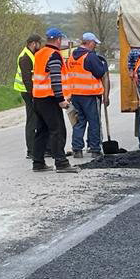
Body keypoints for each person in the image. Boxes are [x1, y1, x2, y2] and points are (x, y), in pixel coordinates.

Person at [31, 28, 78, 173]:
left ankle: (38, 163)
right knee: (57, 130)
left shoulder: (39, 54)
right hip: (50, 98)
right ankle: (61, 163)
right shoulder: (54, 55)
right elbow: (56, 79)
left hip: (37, 97)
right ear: (58, 40)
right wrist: (61, 99)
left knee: (42, 131)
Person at [66, 32, 110, 157]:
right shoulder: (90, 57)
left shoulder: (72, 57)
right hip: (90, 95)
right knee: (94, 122)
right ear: (90, 43)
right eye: (94, 43)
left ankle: (77, 150)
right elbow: (100, 73)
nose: (95, 45)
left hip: (75, 95)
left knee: (79, 122)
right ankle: (95, 149)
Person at [14, 34, 44, 159]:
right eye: (38, 43)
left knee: (35, 119)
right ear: (33, 43)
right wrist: (33, 95)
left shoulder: (30, 54)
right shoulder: (25, 57)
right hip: (28, 92)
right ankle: (31, 150)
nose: (39, 46)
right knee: (32, 120)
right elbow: (27, 79)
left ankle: (36, 149)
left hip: (29, 91)